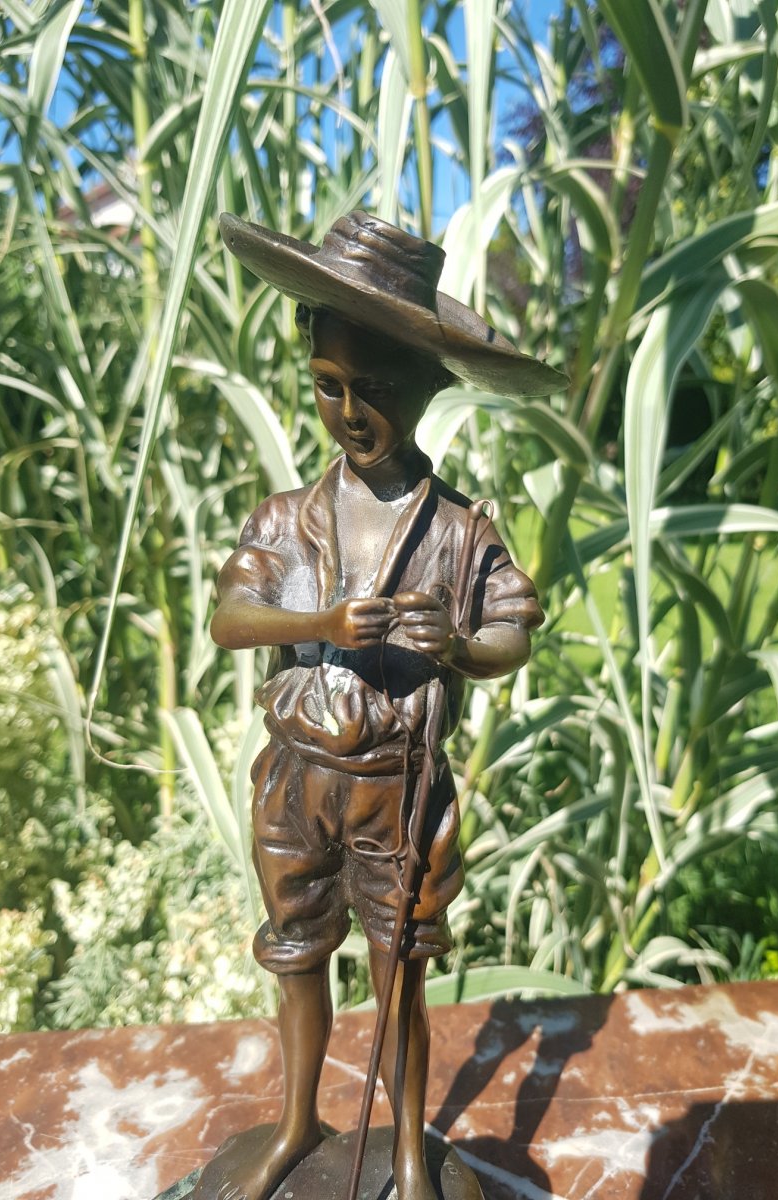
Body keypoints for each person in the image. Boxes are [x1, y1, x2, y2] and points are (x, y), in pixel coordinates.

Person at [201, 211, 563, 1200]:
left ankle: (409, 1151)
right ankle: (295, 1124)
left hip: (398, 790)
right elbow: (231, 620)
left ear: (431, 387)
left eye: (378, 390)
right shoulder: (285, 518)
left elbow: (510, 636)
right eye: (329, 387)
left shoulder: (461, 530)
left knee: (399, 972)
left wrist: (455, 646)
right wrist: (324, 618)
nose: (350, 411)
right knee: (295, 954)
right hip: (296, 781)